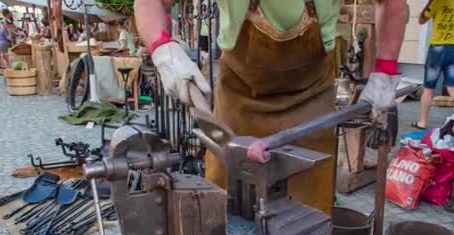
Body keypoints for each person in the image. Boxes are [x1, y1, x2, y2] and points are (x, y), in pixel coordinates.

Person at [135, 0, 407, 215]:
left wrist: (385, 71)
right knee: (221, 205)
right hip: (239, 97)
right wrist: (163, 49)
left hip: (310, 96)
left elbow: (393, 4)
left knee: (309, 212)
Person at [413, 0, 454, 129]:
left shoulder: (438, 2)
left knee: (429, 87)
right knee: (453, 87)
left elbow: (421, 20)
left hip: (437, 49)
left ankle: (423, 122)